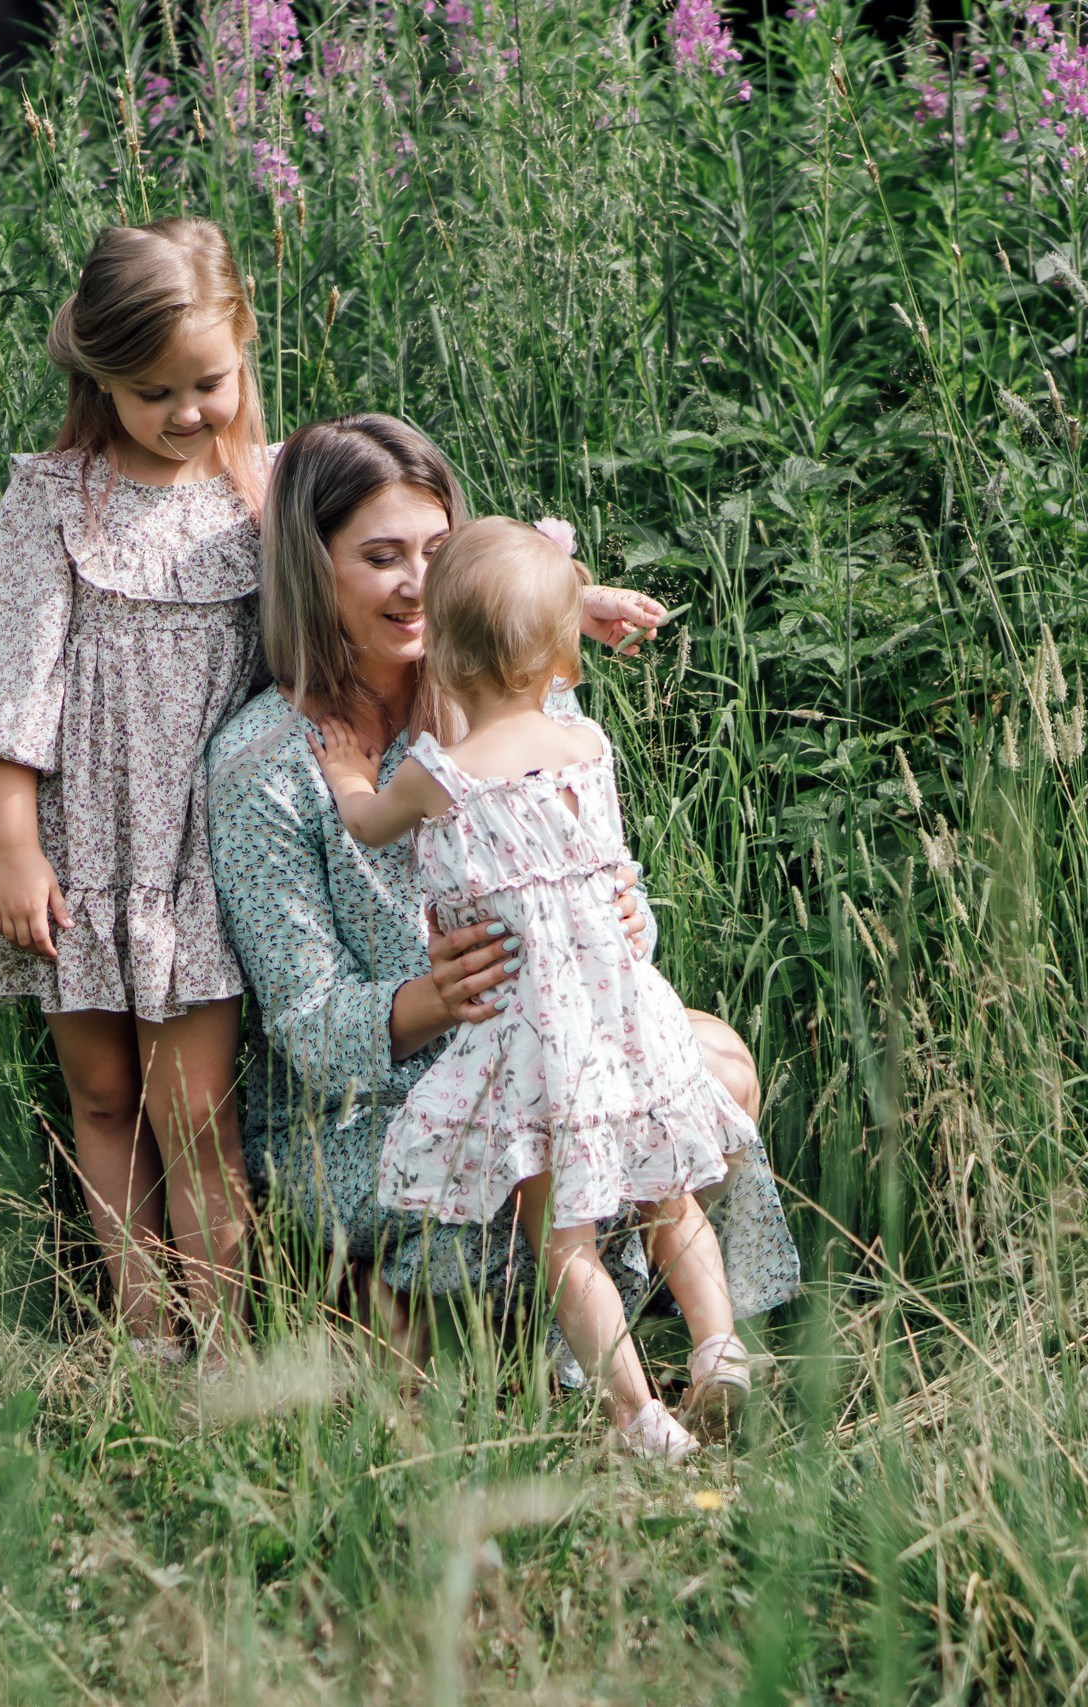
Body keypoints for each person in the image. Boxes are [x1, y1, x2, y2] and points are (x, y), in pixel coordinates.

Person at [205, 414, 800, 1402]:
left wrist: (620, 922)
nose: (417, 587)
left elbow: (623, 927)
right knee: (534, 1164)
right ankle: (482, 1351)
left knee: (715, 1068)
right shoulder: (264, 768)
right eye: (381, 558)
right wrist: (434, 998)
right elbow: (309, 1033)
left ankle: (672, 1353)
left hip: (546, 1053)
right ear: (313, 571)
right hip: (372, 1109)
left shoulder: (526, 706)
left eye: (438, 553)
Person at [309, 517, 754, 1461]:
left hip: (539, 1052)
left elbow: (367, 823)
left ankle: (643, 1419)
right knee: (672, 1199)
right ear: (558, 655)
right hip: (629, 1023)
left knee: (567, 1244)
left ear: (443, 655)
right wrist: (565, 611)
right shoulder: (587, 744)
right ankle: (718, 1348)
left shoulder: (441, 776)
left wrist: (347, 770)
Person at [0, 218, 268, 1369]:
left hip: (199, 858)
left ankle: (224, 1350)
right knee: (100, 1096)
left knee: (196, 1118)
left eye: (207, 383)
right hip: (76, 850)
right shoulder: (54, 500)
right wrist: (16, 853)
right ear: (98, 378)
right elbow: (7, 684)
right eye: (152, 393)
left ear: (242, 349)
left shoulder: (266, 492)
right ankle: (145, 1343)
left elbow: (415, 570)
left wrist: (557, 597)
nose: (187, 412)